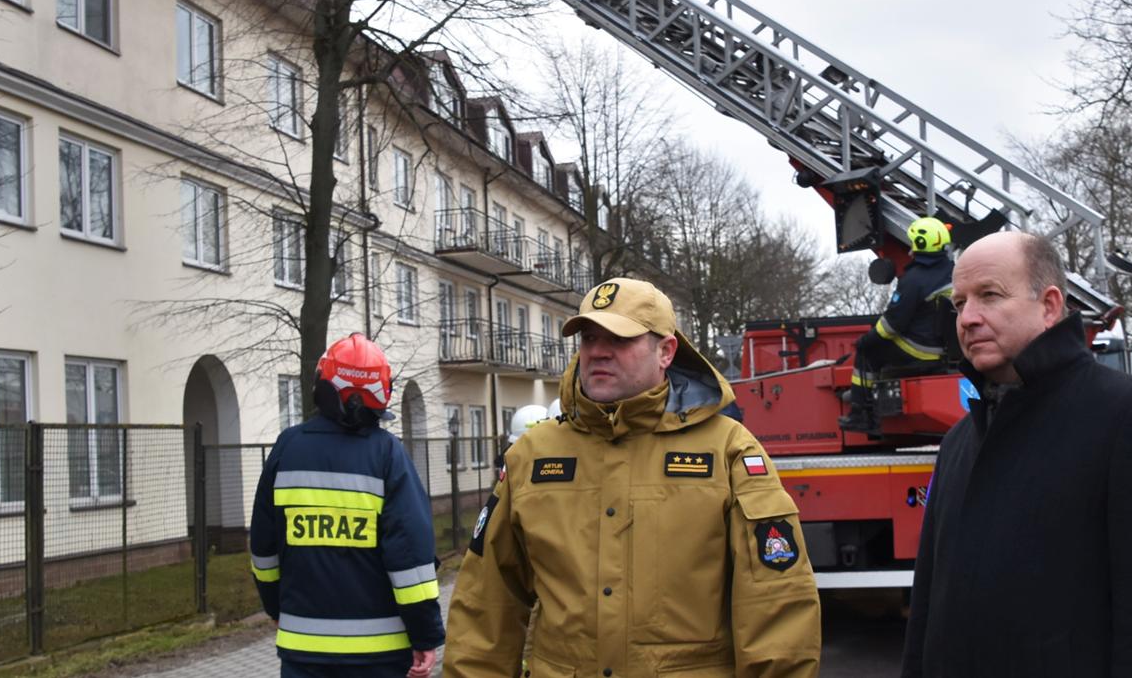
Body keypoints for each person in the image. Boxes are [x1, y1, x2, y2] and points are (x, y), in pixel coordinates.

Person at [445, 277, 821, 677]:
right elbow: (485, 605)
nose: (598, 353)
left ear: (666, 351)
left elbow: (775, 602)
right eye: (589, 338)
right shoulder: (531, 457)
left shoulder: (728, 451)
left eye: (619, 339)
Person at [901, 232, 1132, 678]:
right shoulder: (959, 442)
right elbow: (928, 614)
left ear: (1049, 306)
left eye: (989, 295)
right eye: (959, 303)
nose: (968, 318)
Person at [248, 333, 442, 678]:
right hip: (379, 654)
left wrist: (275, 606)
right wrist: (424, 634)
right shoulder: (388, 454)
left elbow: (263, 550)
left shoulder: (286, 449)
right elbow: (410, 559)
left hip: (302, 648)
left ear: (323, 384)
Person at [842, 216, 957, 434]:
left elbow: (892, 324)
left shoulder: (913, 280)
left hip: (920, 348)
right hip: (946, 350)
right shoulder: (954, 271)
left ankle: (861, 415)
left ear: (920, 244)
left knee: (868, 352)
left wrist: (866, 340)